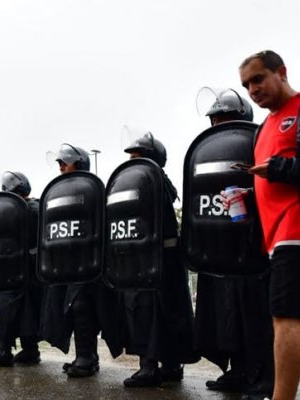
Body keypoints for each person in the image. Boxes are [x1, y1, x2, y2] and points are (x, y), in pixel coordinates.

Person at [194, 89, 274, 399]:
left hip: (255, 247)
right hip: (220, 249)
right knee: (229, 317)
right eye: (214, 120)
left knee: (256, 316)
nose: (218, 125)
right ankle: (238, 370)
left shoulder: (259, 142)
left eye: (223, 118)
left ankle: (265, 378)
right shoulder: (208, 152)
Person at [239, 50, 300, 400]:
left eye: (258, 79)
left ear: (282, 72)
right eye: (246, 85)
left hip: (295, 230)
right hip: (274, 237)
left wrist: (276, 170)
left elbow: (281, 170)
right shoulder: (265, 127)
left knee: (285, 317)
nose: (252, 89)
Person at [119, 132, 198, 388]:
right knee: (165, 310)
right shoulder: (156, 182)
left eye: (136, 156)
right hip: (158, 258)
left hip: (154, 259)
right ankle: (170, 365)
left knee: (152, 311)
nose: (131, 161)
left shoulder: (151, 181)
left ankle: (150, 366)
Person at [39, 144, 120, 377]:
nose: (61, 166)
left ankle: (86, 358)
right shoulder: (60, 192)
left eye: (66, 162)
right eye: (60, 163)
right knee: (74, 309)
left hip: (91, 262)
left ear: (81, 163)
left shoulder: (93, 189)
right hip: (68, 264)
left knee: (84, 307)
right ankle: (85, 356)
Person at [0, 172, 43, 367]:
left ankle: (4, 350)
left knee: (13, 308)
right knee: (26, 309)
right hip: (21, 267)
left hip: (22, 268)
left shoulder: (30, 207)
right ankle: (29, 350)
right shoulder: (31, 206)